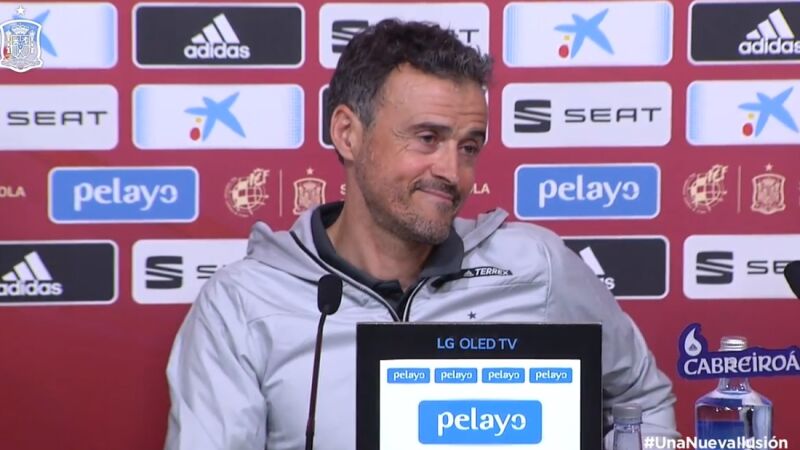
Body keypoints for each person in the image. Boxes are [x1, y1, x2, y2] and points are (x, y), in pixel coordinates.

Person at [164, 19, 679, 450]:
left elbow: (643, 399)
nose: (452, 173)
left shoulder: (536, 267)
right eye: (427, 138)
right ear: (347, 133)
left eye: (469, 147)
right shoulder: (242, 304)